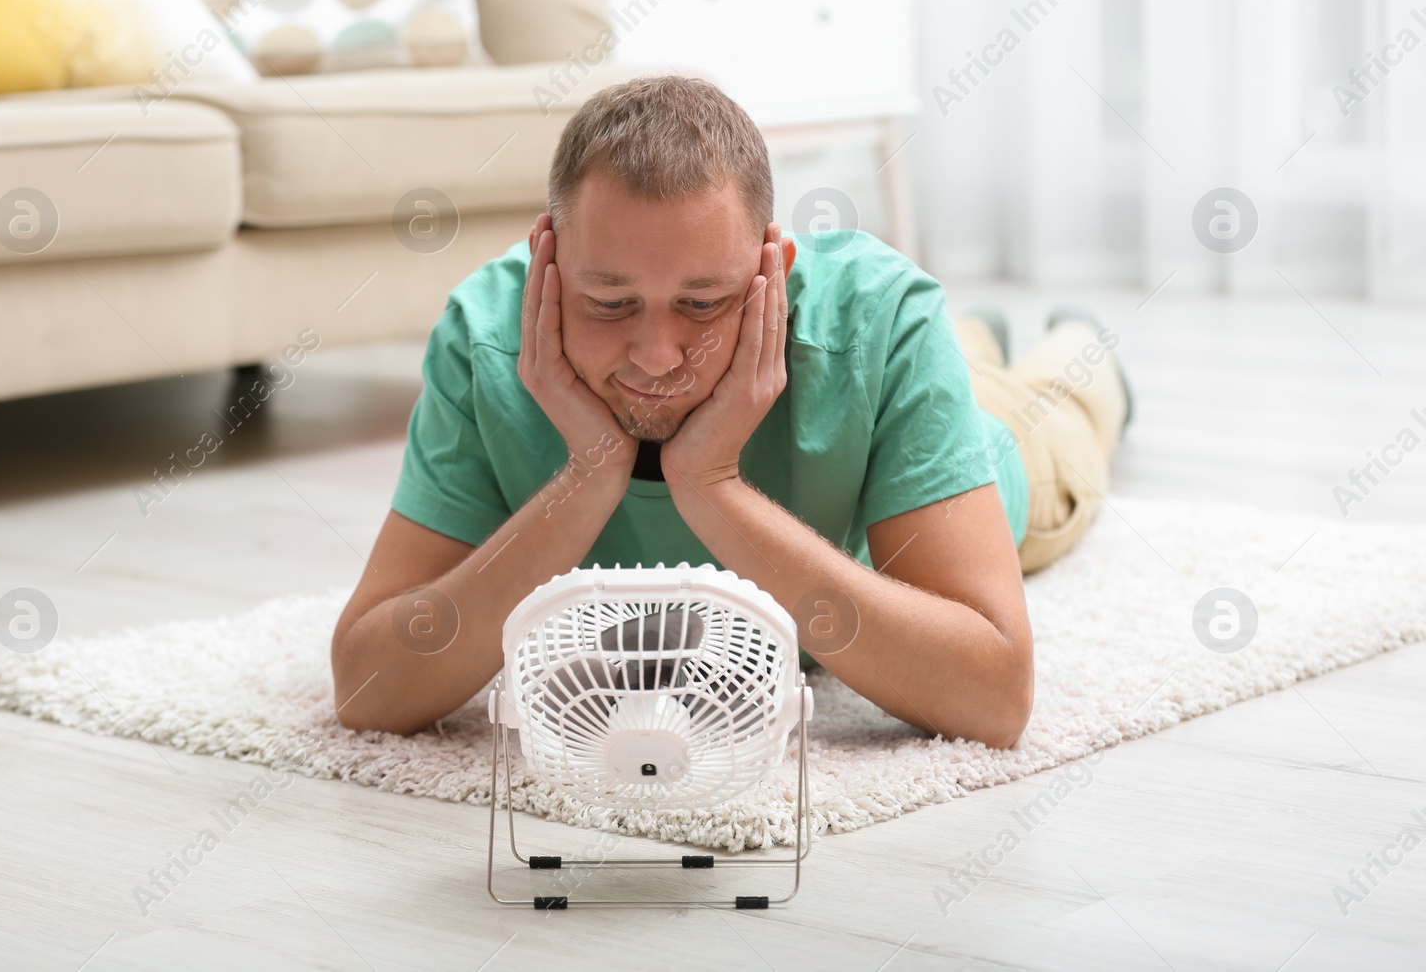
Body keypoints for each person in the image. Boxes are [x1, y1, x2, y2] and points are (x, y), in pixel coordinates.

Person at [329, 76, 1130, 749]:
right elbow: (367, 688)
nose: (654, 354)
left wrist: (711, 484)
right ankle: (978, 341)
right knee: (971, 352)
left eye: (703, 304)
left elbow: (992, 700)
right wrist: (587, 475)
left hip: (1010, 443)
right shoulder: (486, 337)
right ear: (548, 263)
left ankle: (1075, 348)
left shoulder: (884, 323)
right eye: (609, 302)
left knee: (1060, 405)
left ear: (771, 272)